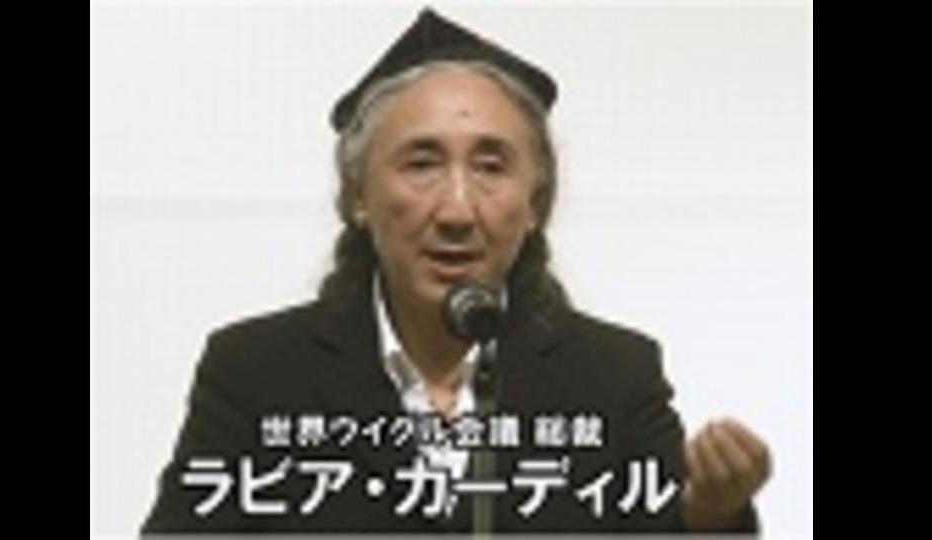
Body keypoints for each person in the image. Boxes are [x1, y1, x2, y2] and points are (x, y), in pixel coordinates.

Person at [142, 8, 770, 534]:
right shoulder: (255, 372)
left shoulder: (613, 375)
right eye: (421, 163)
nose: (457, 211)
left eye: (492, 166)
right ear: (358, 194)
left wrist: (713, 515)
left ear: (535, 203)